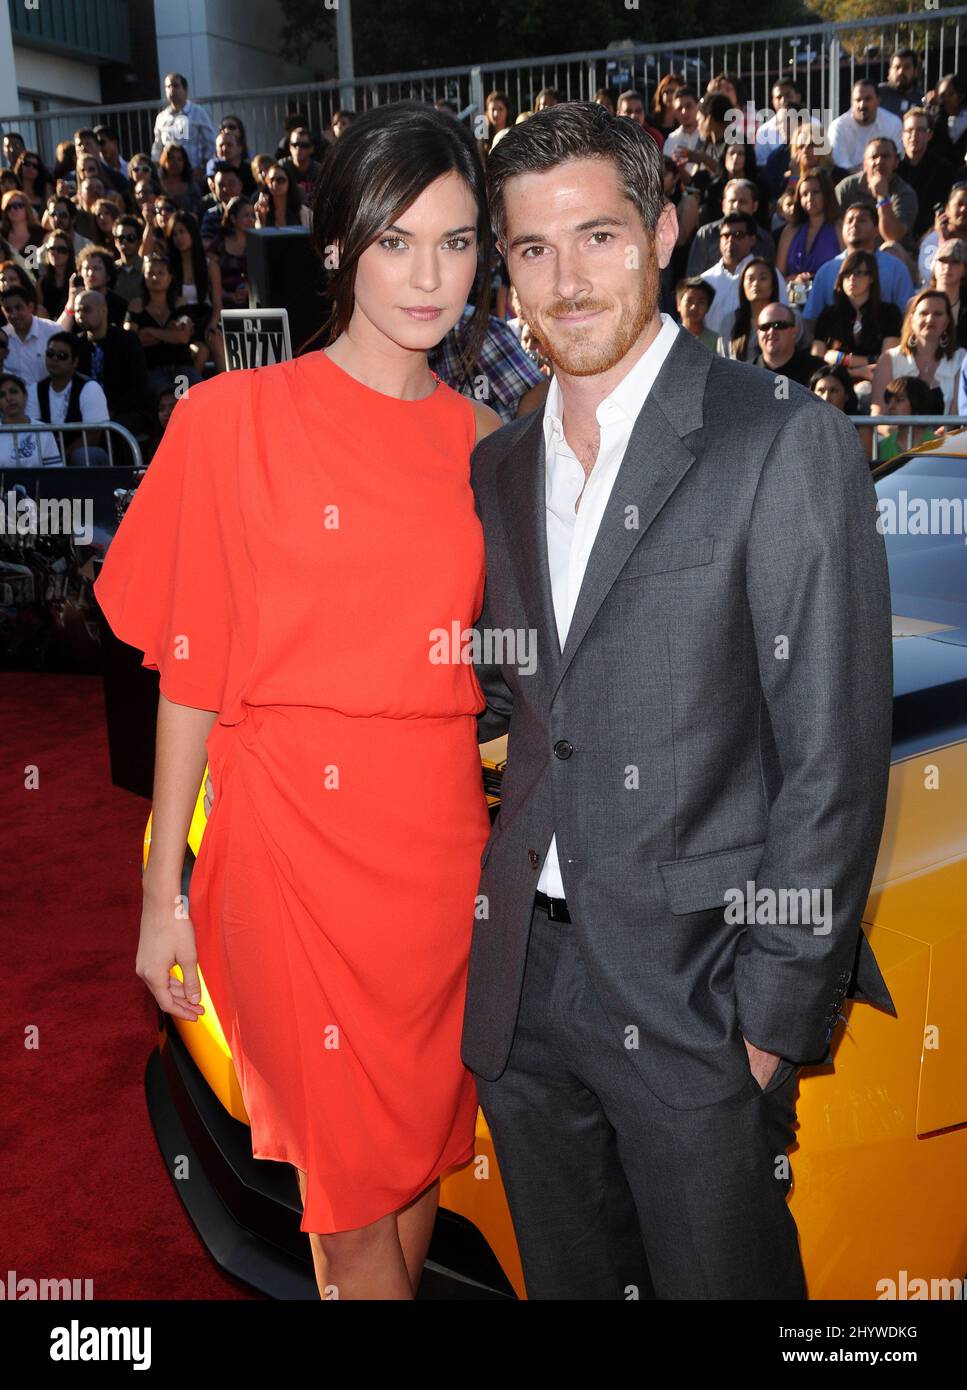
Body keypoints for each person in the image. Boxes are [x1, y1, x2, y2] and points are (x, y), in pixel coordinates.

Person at [466, 99, 894, 1301]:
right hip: (529, 1000)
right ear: (505, 270)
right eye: (532, 250)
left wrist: (769, 1017)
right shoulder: (496, 463)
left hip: (702, 1005)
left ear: (662, 233)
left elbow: (833, 758)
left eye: (597, 236)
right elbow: (518, 695)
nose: (565, 280)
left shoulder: (780, 440)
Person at [94, 99, 501, 1301]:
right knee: (344, 1208)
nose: (430, 275)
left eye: (459, 240)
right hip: (284, 856)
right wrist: (161, 892)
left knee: (412, 1162)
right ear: (339, 244)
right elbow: (190, 674)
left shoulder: (494, 448)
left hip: (436, 866)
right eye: (397, 240)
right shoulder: (231, 421)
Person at [801, 200, 915, 332]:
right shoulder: (827, 271)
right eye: (849, 221)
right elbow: (811, 319)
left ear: (876, 229)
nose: (854, 224)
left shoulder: (896, 269)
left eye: (862, 220)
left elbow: (907, 316)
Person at [811, 250, 902, 390]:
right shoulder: (829, 314)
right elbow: (816, 360)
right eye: (847, 274)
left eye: (859, 273)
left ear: (871, 277)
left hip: (875, 384)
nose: (852, 278)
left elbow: (887, 361)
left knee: (863, 389)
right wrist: (864, 364)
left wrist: (842, 359)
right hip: (832, 385)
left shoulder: (889, 313)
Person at [871, 287, 966, 412]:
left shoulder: (962, 359)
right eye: (923, 313)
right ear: (911, 319)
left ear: (948, 321)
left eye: (938, 314)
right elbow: (879, 415)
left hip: (946, 431)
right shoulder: (889, 359)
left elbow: (957, 416)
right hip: (895, 432)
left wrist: (935, 432)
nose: (930, 319)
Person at [74, 289, 151, 440]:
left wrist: (113, 409)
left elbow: (140, 385)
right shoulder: (76, 345)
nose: (80, 316)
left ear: (103, 310)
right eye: (77, 311)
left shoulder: (126, 341)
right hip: (87, 412)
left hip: (124, 411)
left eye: (86, 310)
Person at [26, 331, 111, 465]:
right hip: (47, 456)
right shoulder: (34, 390)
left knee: (82, 455)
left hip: (83, 455)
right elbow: (32, 433)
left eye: (62, 356)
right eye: (50, 354)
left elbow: (93, 435)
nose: (54, 359)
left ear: (75, 361)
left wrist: (61, 457)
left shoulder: (90, 388)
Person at [700, 211, 789, 336]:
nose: (730, 240)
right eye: (725, 235)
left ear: (752, 239)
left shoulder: (770, 274)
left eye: (738, 235)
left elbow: (784, 315)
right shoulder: (705, 280)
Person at [124, 252, 200, 397]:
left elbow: (183, 337)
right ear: (143, 277)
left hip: (182, 368)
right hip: (153, 369)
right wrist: (169, 333)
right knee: (164, 397)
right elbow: (132, 340)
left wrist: (148, 332)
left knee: (192, 397)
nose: (155, 277)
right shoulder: (136, 306)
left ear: (170, 277)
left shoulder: (180, 303)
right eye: (150, 273)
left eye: (160, 273)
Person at [834, 137, 918, 252]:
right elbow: (832, 224)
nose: (879, 161)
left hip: (892, 259)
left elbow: (893, 237)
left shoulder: (904, 192)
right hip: (852, 253)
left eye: (886, 156)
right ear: (864, 163)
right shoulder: (847, 187)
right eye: (874, 157)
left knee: (891, 248)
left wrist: (882, 197)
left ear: (896, 162)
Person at [898, 107, 954, 241]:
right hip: (898, 236)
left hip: (933, 236)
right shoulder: (892, 167)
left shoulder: (944, 170)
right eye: (909, 130)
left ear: (930, 135)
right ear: (902, 134)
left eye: (920, 130)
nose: (914, 135)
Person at [775, 169, 843, 280]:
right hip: (795, 295)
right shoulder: (790, 231)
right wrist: (795, 279)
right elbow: (778, 277)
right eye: (804, 194)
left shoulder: (840, 228)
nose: (810, 198)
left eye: (816, 192)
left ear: (826, 194)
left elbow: (847, 270)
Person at [151, 73, 217, 180]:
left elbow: (210, 142)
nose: (172, 89)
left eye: (176, 86)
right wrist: (157, 167)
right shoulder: (161, 117)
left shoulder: (198, 112)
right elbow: (157, 145)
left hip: (193, 173)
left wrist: (201, 168)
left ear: (185, 90)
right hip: (169, 175)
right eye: (168, 86)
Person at [828, 80, 904, 173]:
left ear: (878, 100)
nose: (862, 105)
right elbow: (841, 166)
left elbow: (896, 160)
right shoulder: (838, 127)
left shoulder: (893, 123)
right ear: (852, 102)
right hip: (850, 182)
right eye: (858, 100)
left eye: (868, 99)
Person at [718, 257, 781, 361]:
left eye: (763, 278)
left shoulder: (786, 318)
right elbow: (723, 361)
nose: (755, 284)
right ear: (742, 286)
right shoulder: (729, 321)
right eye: (750, 279)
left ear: (773, 285)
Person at [2, 284, 62, 383]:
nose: (14, 315)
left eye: (18, 308)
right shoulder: (2, 338)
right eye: (8, 310)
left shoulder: (53, 331)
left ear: (30, 306)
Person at [0, 371, 61, 465]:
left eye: (13, 392)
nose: (9, 398)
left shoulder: (44, 430)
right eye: (2, 395)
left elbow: (54, 472)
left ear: (25, 395)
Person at [753, 301, 816, 384]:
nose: (771, 331)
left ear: (794, 332)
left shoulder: (815, 371)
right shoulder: (745, 372)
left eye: (779, 325)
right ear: (758, 333)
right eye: (765, 327)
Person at [929, 236, 967, 347]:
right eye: (942, 261)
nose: (947, 267)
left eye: (955, 262)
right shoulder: (918, 303)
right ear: (934, 266)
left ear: (965, 269)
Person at [255, 162, 310, 228]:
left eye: (280, 180)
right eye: (271, 180)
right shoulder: (263, 210)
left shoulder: (302, 212)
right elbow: (259, 236)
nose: (275, 184)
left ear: (289, 183)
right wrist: (261, 220)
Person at [36, 232, 76, 319]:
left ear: (69, 253)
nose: (55, 253)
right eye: (52, 249)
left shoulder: (77, 280)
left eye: (61, 250)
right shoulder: (42, 283)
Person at [158, 143, 203, 217]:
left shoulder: (192, 187)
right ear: (164, 160)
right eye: (171, 158)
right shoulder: (158, 186)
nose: (175, 162)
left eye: (179, 159)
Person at [877, 49, 924, 119]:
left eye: (907, 67)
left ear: (915, 72)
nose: (901, 72)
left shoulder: (921, 100)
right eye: (897, 67)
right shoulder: (877, 94)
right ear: (889, 72)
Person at [674, 275, 717, 351]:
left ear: (708, 307)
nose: (694, 307)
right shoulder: (669, 336)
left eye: (701, 302)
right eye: (689, 301)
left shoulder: (717, 341)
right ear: (678, 305)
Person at [281, 126, 322, 200]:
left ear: (311, 148)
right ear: (290, 147)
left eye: (304, 145)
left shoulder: (319, 170)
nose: (298, 148)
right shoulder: (282, 167)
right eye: (295, 145)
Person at [1, 190, 45, 256]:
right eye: (8, 207)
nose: (12, 210)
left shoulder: (42, 235)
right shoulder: (2, 236)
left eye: (17, 205)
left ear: (27, 208)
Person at [113, 214, 145, 304]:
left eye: (131, 238)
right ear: (116, 242)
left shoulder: (148, 269)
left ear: (139, 241)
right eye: (121, 238)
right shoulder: (110, 271)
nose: (125, 242)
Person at [13, 150, 52, 216]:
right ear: (20, 166)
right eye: (27, 164)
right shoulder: (13, 190)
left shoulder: (45, 190)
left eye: (35, 166)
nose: (31, 168)